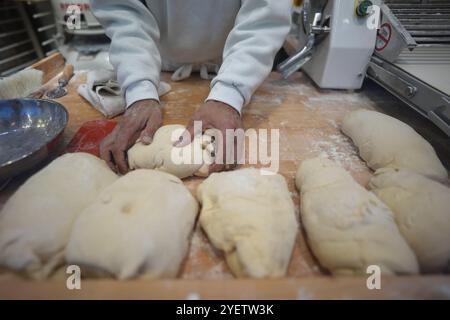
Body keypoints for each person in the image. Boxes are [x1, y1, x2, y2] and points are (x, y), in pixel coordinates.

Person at [91, 0, 292, 174]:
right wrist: (139, 90)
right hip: (159, 63)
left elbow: (264, 16)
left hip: (237, 61)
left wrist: (230, 94)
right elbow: (122, 12)